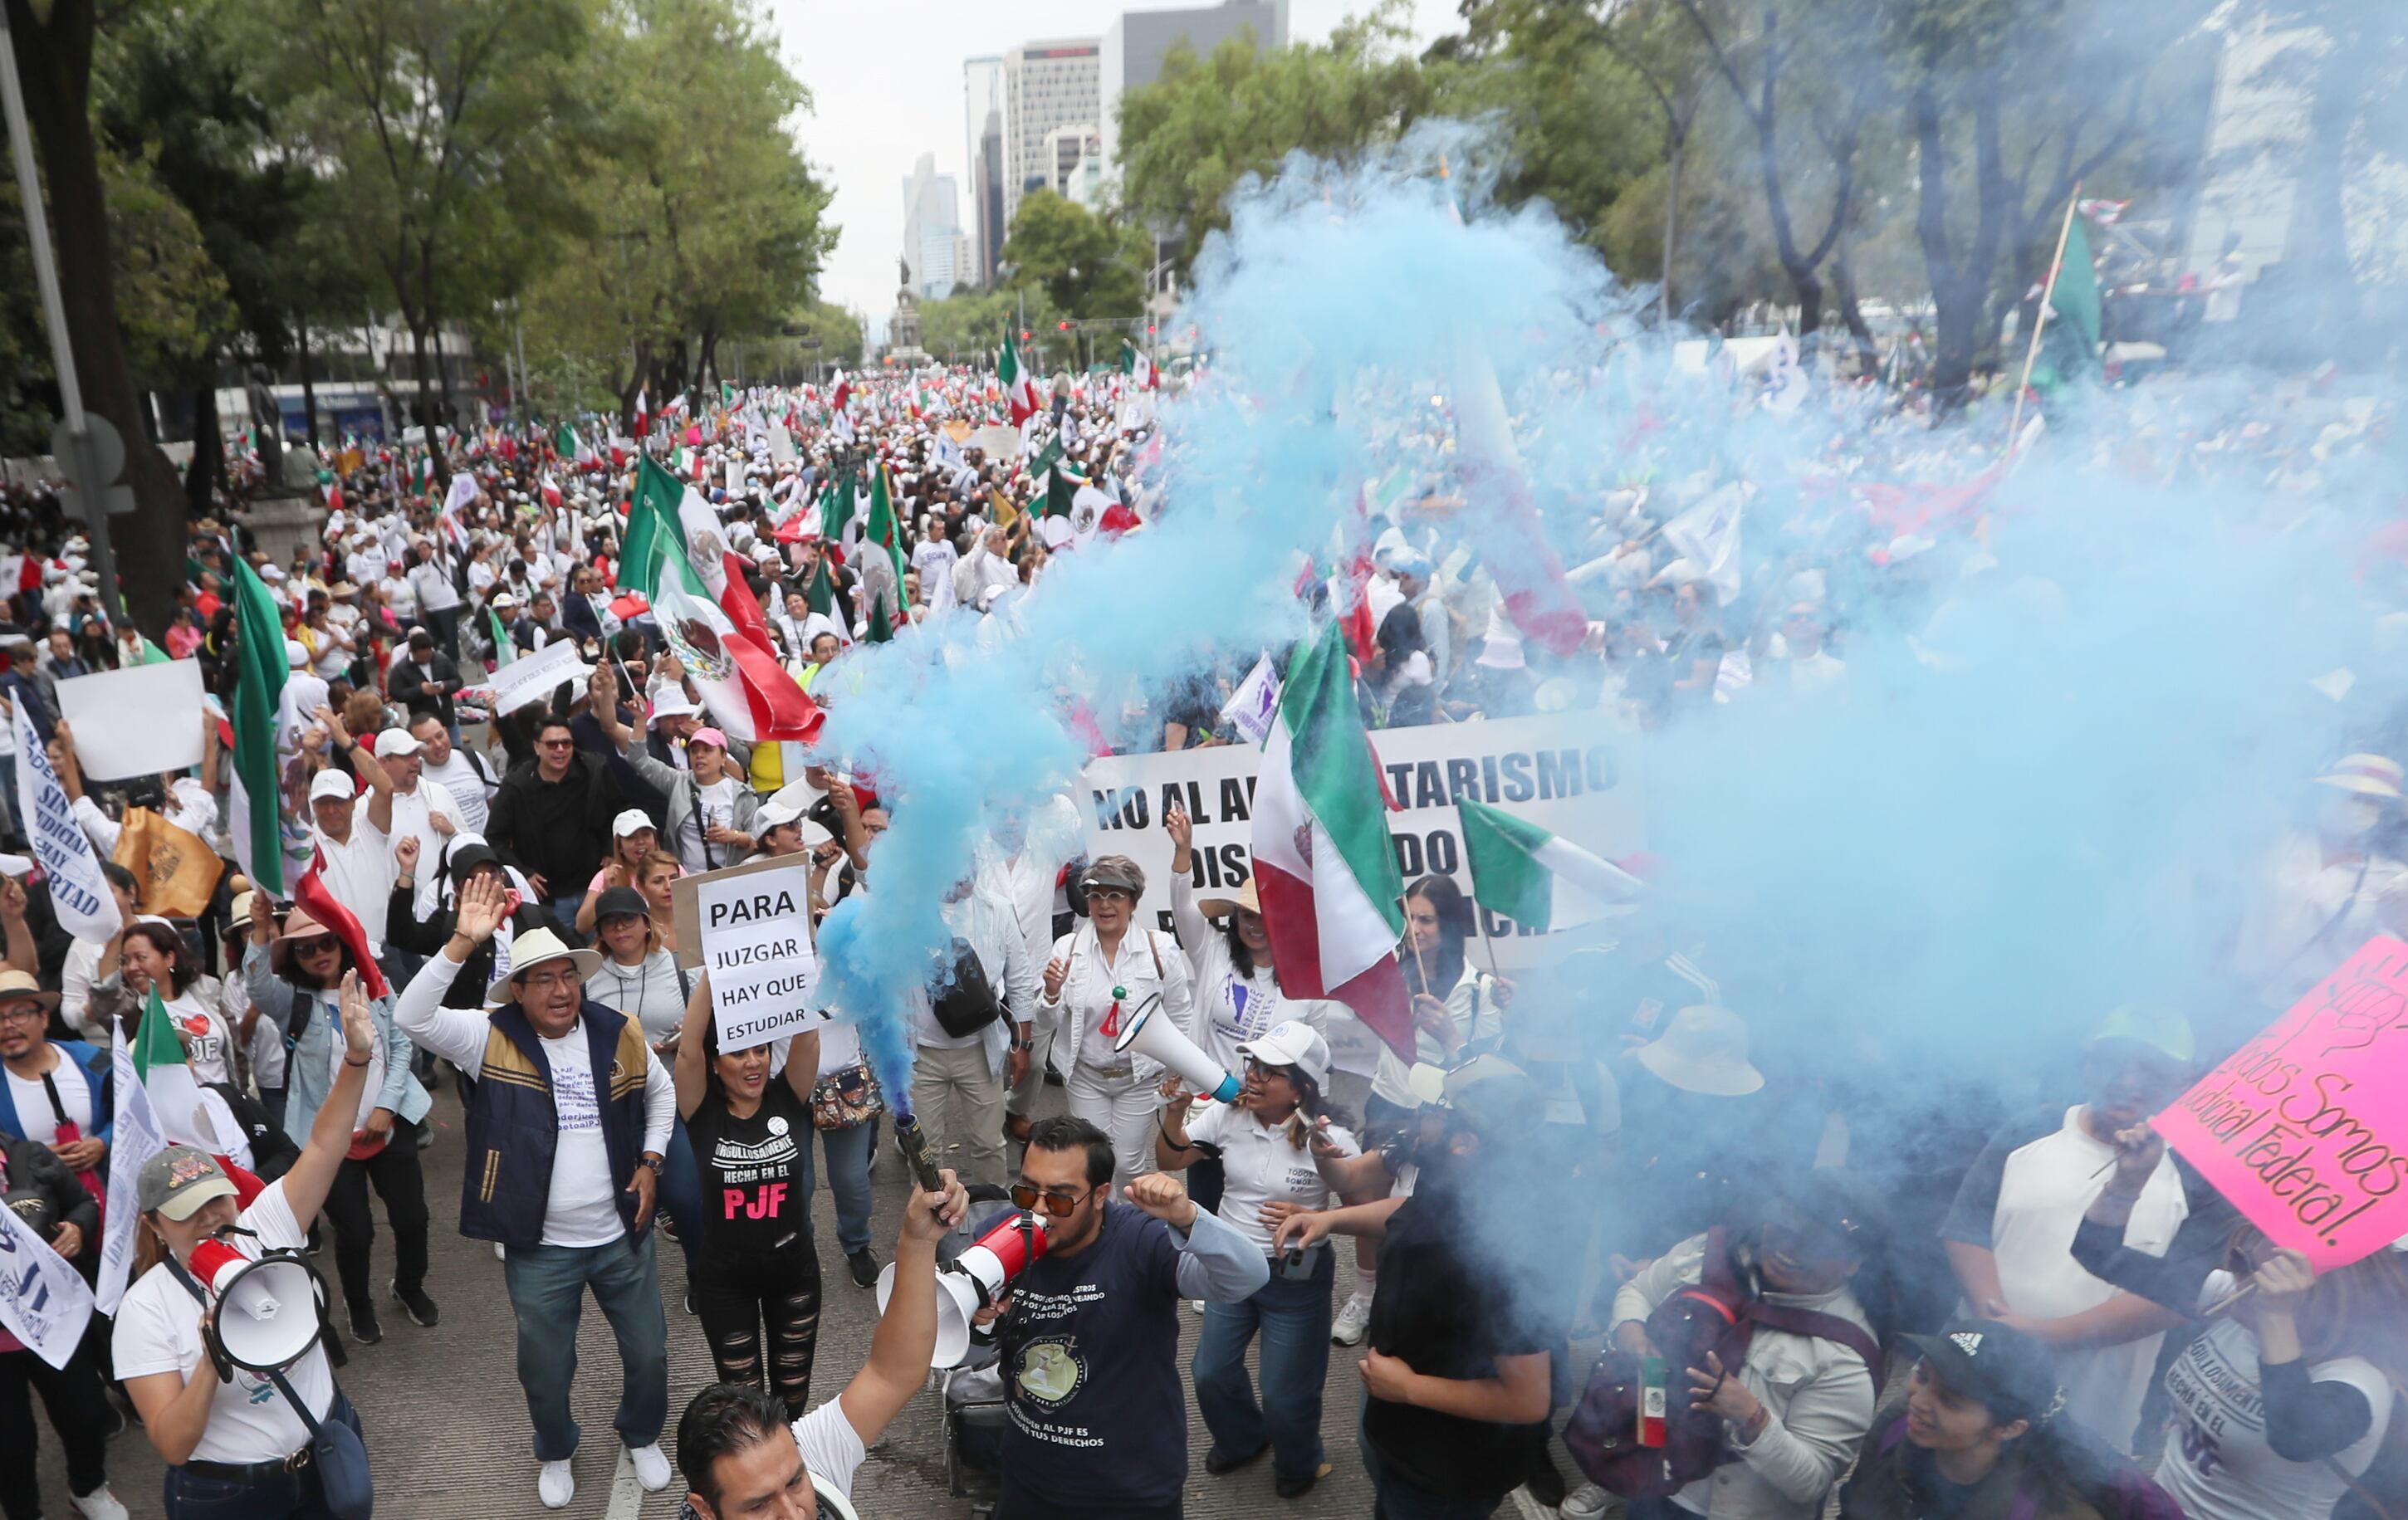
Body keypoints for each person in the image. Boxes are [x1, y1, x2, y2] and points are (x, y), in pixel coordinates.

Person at [391, 872, 677, 1508]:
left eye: (568, 975)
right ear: (516, 991)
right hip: (539, 1245)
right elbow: (409, 1015)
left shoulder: (619, 1030)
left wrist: (652, 1161)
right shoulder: (486, 1034)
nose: (560, 989)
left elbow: (662, 1093)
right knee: (545, 1371)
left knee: (651, 1353)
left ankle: (641, 1431)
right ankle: (555, 1446)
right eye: (542, 979)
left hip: (620, 1234)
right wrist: (462, 941)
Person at [111, 975, 376, 1518]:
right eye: (188, 1212)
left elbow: (325, 1143)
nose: (211, 1218)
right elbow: (173, 1444)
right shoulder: (144, 1310)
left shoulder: (265, 1226)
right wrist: (212, 1361)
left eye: (217, 1200)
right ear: (156, 1225)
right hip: (233, 1493)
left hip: (322, 1450)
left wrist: (355, 1058)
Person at [1280, 1057, 1560, 1520]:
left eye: (1436, 1112)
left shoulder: (1511, 1257)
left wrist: (1410, 1389)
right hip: (1399, 1421)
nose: (1421, 1115)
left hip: (1448, 1470)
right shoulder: (1461, 1181)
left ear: (1465, 1143)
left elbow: (1528, 1399)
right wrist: (1328, 1218)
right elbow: (1411, 1210)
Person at [2077, 1127, 2407, 1520]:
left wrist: (2276, 1317)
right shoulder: (2233, 1300)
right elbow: (2097, 1253)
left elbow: (2295, 1437)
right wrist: (2128, 1182)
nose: (2238, 1276)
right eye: (2239, 1260)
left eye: (2254, 1269)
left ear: (2319, 1286)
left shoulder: (2358, 1381)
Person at [985, 1115, 1270, 1519]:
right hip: (1028, 1479)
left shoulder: (1141, 1241)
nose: (1040, 1211)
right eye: (1028, 1191)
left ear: (1101, 1195)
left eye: (1062, 1198)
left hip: (1129, 1489)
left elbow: (1247, 1276)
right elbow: (954, 1347)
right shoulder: (1004, 1235)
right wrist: (979, 1319)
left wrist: (1187, 1217)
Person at [1940, 1005, 2194, 1452]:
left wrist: (2043, 1335)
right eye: (2116, 1061)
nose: (2129, 1081)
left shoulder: (2194, 1174)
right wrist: (1997, 1324)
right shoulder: (2031, 1128)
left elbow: (2178, 1297)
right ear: (2089, 1063)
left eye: (2151, 1069)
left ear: (2181, 1082)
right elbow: (1967, 1226)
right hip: (1976, 1375)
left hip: (2090, 1412)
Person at [1586, 1167, 1885, 1520]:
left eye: (1812, 1242)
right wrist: (1631, 1332)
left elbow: (1813, 1482)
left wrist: (1752, 1417)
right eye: (1783, 1226)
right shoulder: (1709, 1254)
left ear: (1853, 1263)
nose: (1787, 1248)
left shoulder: (1845, 1356)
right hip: (1650, 1473)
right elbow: (1639, 1290)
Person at [673, 1167, 969, 1518]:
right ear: (705, 1510)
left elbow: (894, 1374)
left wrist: (919, 1241)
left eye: (797, 1481)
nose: (795, 1514)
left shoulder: (808, 1450)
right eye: (758, 1504)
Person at [1154, 1020, 1358, 1498]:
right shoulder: (1227, 1116)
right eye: (1252, 1065)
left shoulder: (1332, 1136)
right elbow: (1172, 1160)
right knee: (1209, 1372)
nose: (1253, 1077)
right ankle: (1244, 1439)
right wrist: (1175, 1113)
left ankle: (1299, 1461)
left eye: (1270, 1071)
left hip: (1296, 1278)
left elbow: (1362, 1206)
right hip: (1229, 1268)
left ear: (1302, 1088)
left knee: (1287, 1395)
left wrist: (1314, 1215)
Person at [244, 891, 437, 1343]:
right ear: (293, 956)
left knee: (413, 1218)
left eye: (326, 943)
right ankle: (359, 1305)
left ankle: (409, 1288)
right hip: (331, 1140)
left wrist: (387, 1109)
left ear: (342, 943)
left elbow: (402, 1045)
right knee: (355, 1233)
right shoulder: (292, 1000)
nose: (317, 954)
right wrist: (258, 930)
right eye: (305, 948)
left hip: (389, 1127)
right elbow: (256, 985)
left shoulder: (375, 984)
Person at [671, 970, 824, 1414]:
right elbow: (687, 1048)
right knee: (748, 1404)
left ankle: (796, 1476)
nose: (753, 1062)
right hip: (725, 1280)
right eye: (738, 1053)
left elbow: (808, 1041)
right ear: (716, 1062)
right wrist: (714, 970)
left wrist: (794, 961)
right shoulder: (701, 1110)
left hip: (794, 1270)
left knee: (792, 1399)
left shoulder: (788, 1097)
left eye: (761, 1050)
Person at [1836, 1318, 2166, 1520]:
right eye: (1921, 1376)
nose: (1919, 1401)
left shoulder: (2056, 1511)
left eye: (1950, 1401)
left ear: (2010, 1428)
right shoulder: (1896, 1427)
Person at [0, 1097, 125, 1520]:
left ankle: (88, 1488)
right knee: (10, 1444)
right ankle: (22, 1511)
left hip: (53, 1322)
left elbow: (83, 1203)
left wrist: (77, 1228)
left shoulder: (27, 1156)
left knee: (86, 1416)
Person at [1036, 855, 1194, 1188]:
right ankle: (1095, 1231)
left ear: (1134, 902)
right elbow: (1046, 1021)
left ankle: (1126, 1230)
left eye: (1115, 895)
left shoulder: (1161, 949)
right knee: (1093, 1164)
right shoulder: (1066, 948)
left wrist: (1175, 1072)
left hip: (1137, 1078)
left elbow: (1181, 1015)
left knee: (1128, 1165)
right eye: (1095, 896)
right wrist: (1051, 993)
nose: (1104, 905)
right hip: (1085, 1076)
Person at [586, 884, 704, 1283]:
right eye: (609, 922)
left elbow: (710, 1025)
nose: (620, 928)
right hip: (616, 1109)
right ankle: (637, 1292)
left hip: (675, 1104)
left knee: (688, 1198)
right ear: (599, 931)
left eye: (628, 918)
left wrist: (686, 1038)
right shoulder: (586, 979)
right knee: (629, 1209)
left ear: (645, 922)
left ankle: (700, 1276)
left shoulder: (678, 967)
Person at [906, 870, 1037, 1190]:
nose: (968, 869)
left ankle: (993, 1220)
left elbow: (1019, 979)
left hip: (981, 1049)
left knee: (989, 1144)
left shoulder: (998, 909)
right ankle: (927, 1230)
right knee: (925, 1150)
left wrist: (1022, 1045)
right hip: (920, 1053)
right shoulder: (904, 911)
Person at [590, 672, 759, 876]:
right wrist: (639, 719)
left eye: (707, 750)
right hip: (682, 871)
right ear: (659, 721)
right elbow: (630, 749)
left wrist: (731, 836)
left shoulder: (740, 792)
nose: (699, 756)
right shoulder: (675, 777)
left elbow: (755, 836)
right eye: (671, 717)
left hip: (731, 880)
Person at [487, 711, 625, 931]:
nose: (560, 750)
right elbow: (494, 839)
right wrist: (523, 872)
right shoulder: (517, 785)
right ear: (537, 747)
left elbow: (618, 812)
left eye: (566, 743)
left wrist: (610, 849)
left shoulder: (593, 771)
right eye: (552, 744)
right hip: (551, 899)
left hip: (593, 886)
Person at [0, 968, 110, 1203]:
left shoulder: (91, 1061)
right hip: (41, 1212)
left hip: (110, 1196)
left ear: (44, 1018)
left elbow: (131, 1114)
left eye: (19, 1014)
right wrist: (31, 1159)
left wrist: (103, 1142)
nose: (8, 1025)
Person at [575, 809, 671, 937]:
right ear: (619, 846)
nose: (641, 842)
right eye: (631, 837)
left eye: (646, 834)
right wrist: (605, 891)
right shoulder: (607, 877)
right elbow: (582, 926)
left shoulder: (673, 869)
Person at [406, 711, 498, 837]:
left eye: (440, 736)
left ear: (447, 731)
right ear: (417, 749)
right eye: (427, 742)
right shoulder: (416, 779)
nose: (438, 745)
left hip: (489, 848)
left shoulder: (473, 758)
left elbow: (495, 801)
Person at [384, 626, 463, 731]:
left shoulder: (442, 659)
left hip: (448, 719)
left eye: (428, 656)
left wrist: (444, 686)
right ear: (412, 652)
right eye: (421, 657)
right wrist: (420, 690)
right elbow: (396, 693)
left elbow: (458, 681)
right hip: (423, 723)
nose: (426, 659)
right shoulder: (401, 669)